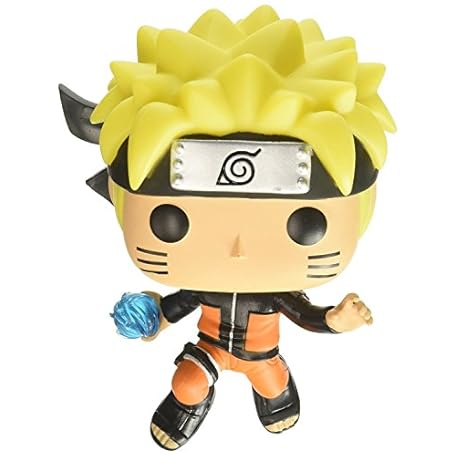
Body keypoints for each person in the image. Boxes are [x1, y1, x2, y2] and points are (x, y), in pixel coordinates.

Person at [59, 5, 395, 450]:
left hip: (262, 356)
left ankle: (276, 397)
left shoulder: (276, 293)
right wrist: (153, 320)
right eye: (171, 221)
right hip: (210, 349)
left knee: (273, 386)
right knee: (187, 383)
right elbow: (176, 306)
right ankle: (187, 405)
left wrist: (334, 320)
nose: (237, 249)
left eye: (305, 225)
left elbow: (305, 314)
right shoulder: (206, 287)